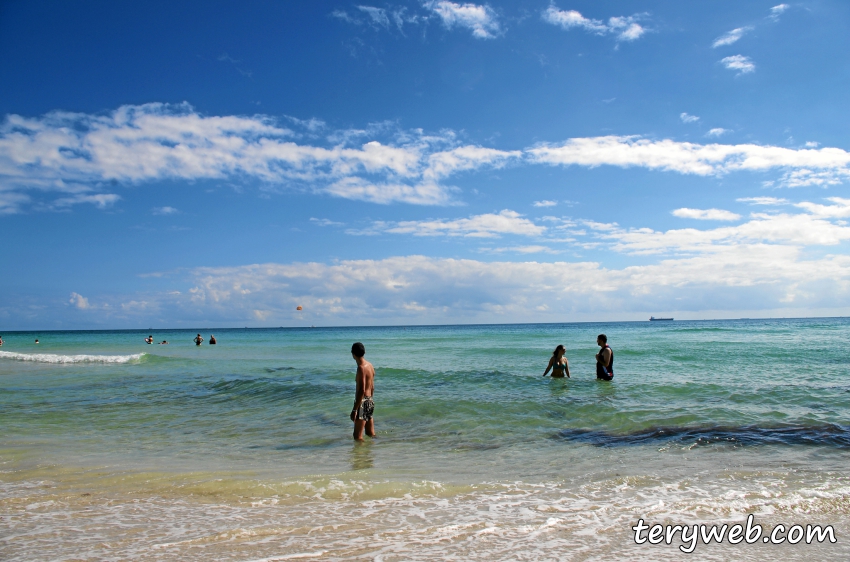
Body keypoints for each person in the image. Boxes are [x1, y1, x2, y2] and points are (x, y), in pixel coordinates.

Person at [350, 342, 376, 441]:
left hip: (363, 402)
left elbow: (362, 390)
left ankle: (360, 456)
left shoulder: (361, 368)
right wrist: (370, 400)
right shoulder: (370, 365)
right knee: (370, 434)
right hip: (370, 401)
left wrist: (354, 410)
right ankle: (372, 454)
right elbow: (372, 387)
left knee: (357, 436)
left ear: (353, 354)